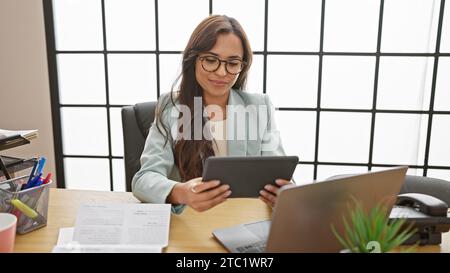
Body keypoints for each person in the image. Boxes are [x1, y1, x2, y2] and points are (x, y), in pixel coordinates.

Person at [132, 15, 292, 214]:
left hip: (243, 220)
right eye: (210, 60)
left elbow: (278, 174)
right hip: (190, 225)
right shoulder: (170, 106)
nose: (222, 72)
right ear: (193, 59)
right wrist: (180, 192)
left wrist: (285, 191)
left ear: (242, 67)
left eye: (232, 63)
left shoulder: (259, 106)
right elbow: (144, 179)